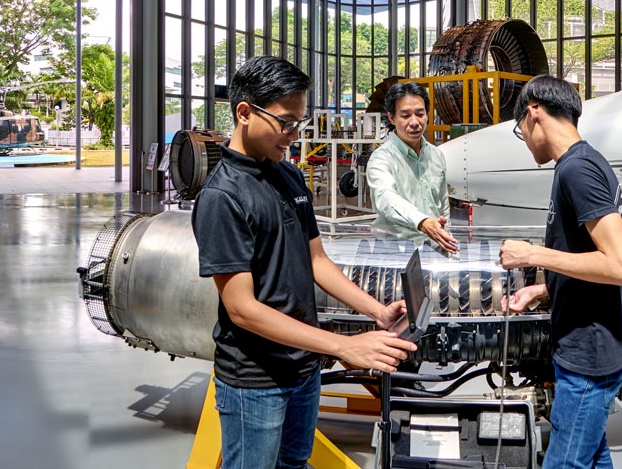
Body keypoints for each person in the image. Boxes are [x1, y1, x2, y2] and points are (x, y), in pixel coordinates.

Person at [192, 56, 416, 469]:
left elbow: (316, 260)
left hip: (303, 367)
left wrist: (376, 311)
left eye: (300, 123)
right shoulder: (223, 197)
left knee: (294, 463)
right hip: (256, 379)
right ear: (245, 112)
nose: (294, 135)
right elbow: (242, 310)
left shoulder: (289, 176)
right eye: (286, 123)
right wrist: (343, 346)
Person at [498, 76, 622, 469]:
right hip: (594, 343)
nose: (524, 139)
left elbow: (621, 267)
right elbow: (586, 253)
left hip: (589, 352)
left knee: (565, 462)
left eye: (520, 130)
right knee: (593, 453)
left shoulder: (577, 170)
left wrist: (532, 254)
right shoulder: (579, 164)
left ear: (533, 113)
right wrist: (542, 290)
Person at [368, 81, 460, 254]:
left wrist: (447, 239)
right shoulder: (381, 159)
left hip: (433, 247)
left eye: (420, 113)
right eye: (405, 115)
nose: (415, 122)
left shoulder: (436, 155)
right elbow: (385, 198)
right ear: (391, 118)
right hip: (395, 251)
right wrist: (423, 222)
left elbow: (442, 205)